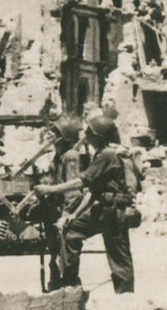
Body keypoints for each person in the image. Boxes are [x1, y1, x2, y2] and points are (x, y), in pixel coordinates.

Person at [30, 113, 136, 295]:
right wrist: (74, 215)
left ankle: (125, 297)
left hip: (114, 210)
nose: (85, 134)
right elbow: (93, 191)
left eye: (89, 132)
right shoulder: (100, 154)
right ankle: (71, 286)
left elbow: (82, 182)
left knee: (118, 256)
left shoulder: (107, 155)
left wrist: (50, 190)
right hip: (103, 207)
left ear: (99, 136)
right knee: (71, 230)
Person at [13, 115, 82, 291]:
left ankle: (70, 287)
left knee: (66, 252)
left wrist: (66, 215)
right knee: (54, 251)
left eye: (55, 131)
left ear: (64, 136)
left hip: (63, 211)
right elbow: (52, 181)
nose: (50, 134)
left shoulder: (70, 156)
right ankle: (56, 286)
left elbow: (73, 192)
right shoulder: (57, 157)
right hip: (52, 209)